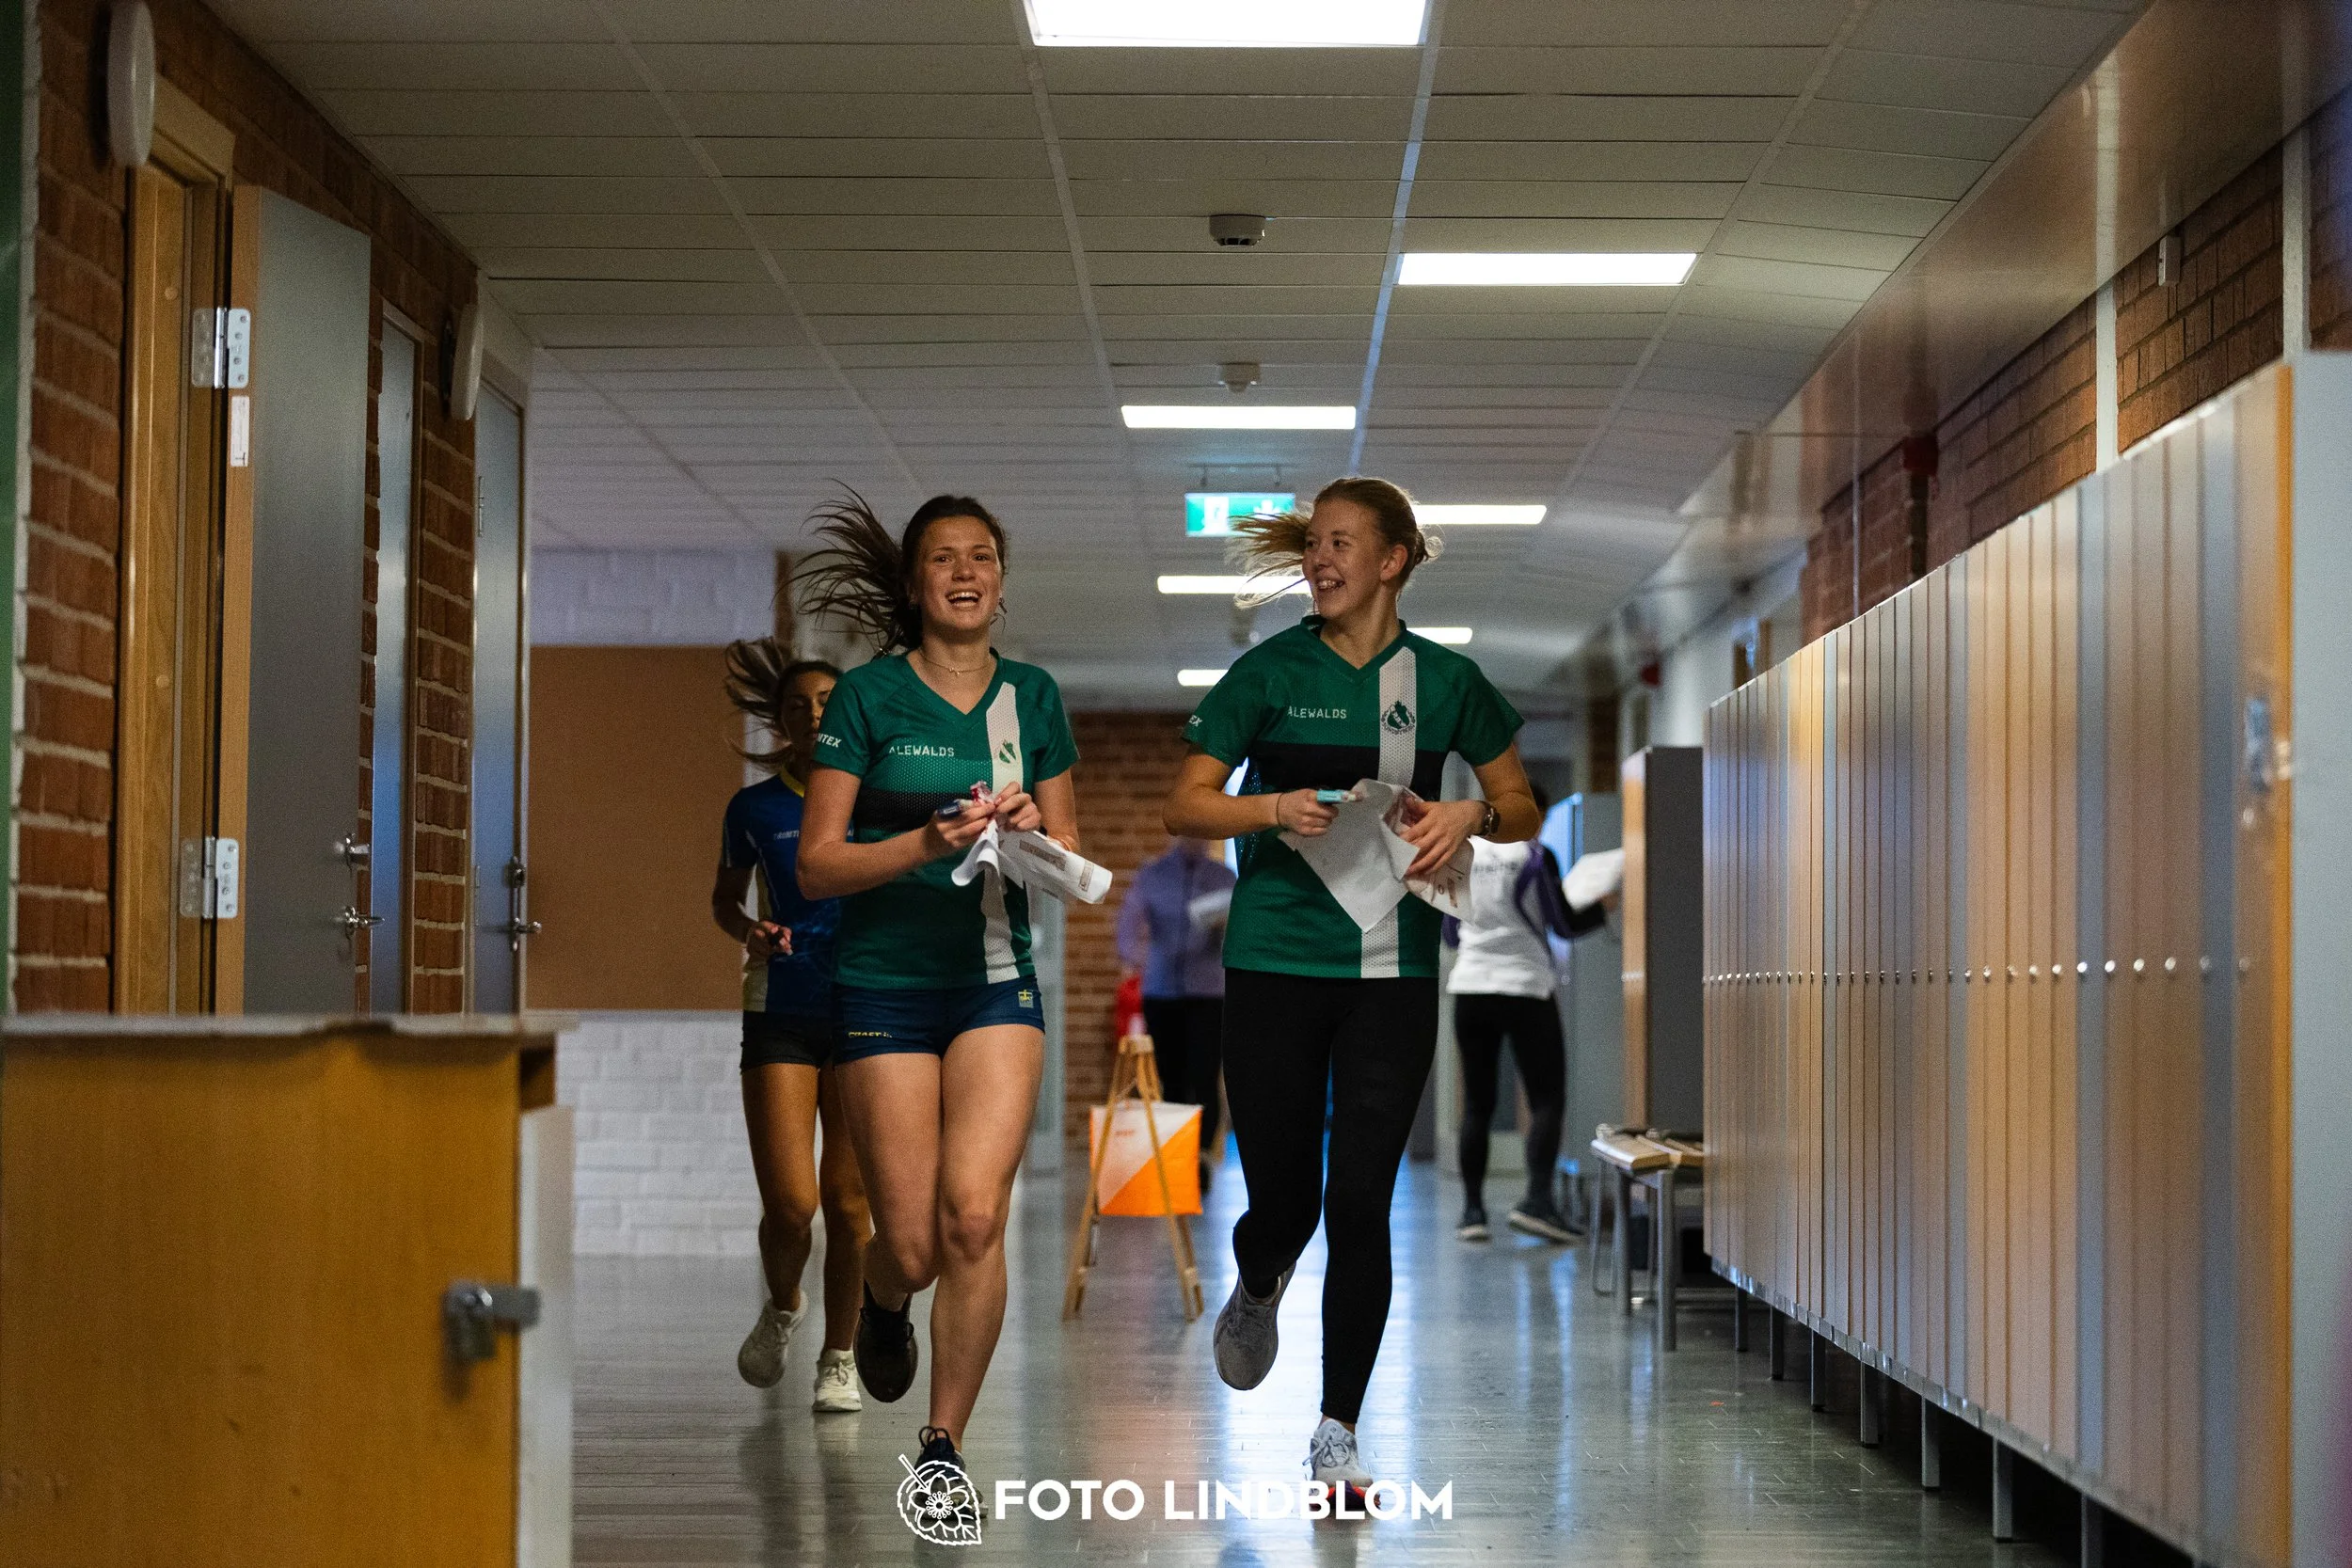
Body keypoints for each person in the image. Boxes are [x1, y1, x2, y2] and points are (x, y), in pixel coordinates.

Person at [1161, 476, 1541, 1503]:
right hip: (1274, 962)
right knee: (1283, 1198)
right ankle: (1261, 1275)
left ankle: (1337, 1430)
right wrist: (1271, 805)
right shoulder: (1268, 671)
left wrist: (1471, 816)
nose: (1317, 560)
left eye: (1339, 543)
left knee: (1361, 1198)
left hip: (1393, 969)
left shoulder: (1447, 679)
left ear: (1391, 558)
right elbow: (1183, 804)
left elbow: (1518, 799)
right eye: (1311, 544)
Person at [793, 490, 1079, 1501]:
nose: (964, 572)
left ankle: (943, 1447)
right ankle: (879, 1299)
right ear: (915, 584)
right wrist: (924, 841)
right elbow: (818, 866)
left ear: (1001, 581)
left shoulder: (1033, 697)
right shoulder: (868, 697)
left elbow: (1066, 865)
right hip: (883, 984)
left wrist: (1033, 828)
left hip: (996, 982)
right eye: (944, 558)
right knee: (909, 1243)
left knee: (971, 1218)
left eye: (983, 557)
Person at [707, 642, 871, 1414]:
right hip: (781, 1008)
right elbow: (722, 900)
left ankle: (839, 1357)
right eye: (798, 704)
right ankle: (782, 1305)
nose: (813, 713)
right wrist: (747, 929)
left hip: (868, 1010)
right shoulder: (754, 809)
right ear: (779, 722)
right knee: (793, 1205)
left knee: (849, 1205)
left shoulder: (876, 802)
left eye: (827, 702)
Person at [1441, 800, 1606, 1244]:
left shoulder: (1463, 851)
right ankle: (1536, 1201)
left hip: (1472, 987)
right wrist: (1605, 908)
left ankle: (1472, 1212)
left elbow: (1450, 930)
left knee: (1477, 1103)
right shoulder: (1534, 855)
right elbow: (1563, 924)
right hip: (1527, 988)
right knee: (1546, 1098)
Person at [1115, 836, 1235, 1190]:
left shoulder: (1225, 878)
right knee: (1171, 1078)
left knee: (1205, 1073)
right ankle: (1175, 1156)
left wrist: (1224, 929)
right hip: (1162, 990)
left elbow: (1245, 931)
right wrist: (1137, 959)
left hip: (1210, 990)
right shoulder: (1153, 874)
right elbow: (1128, 923)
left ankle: (1200, 1157)